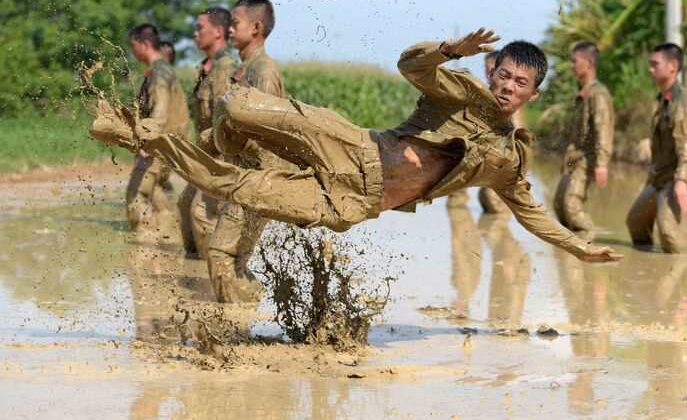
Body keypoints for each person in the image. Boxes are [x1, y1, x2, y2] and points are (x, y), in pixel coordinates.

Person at [92, 28, 622, 264]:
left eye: (518, 83)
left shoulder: (508, 160)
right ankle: (219, 138)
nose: (506, 86)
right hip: (355, 148)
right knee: (238, 106)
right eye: (502, 74)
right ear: (493, 71)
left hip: (355, 203)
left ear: (532, 91)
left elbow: (531, 213)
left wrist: (578, 247)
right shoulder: (461, 89)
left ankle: (138, 136)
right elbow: (409, 65)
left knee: (236, 188)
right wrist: (446, 49)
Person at [203, 0, 288, 303]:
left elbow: (266, 133)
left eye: (235, 23)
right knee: (233, 259)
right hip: (243, 178)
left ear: (255, 27)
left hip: (257, 181)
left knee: (221, 255)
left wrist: (219, 136)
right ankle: (248, 315)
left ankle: (238, 324)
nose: (229, 29)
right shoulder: (244, 70)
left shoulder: (263, 72)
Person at [625, 43, 687, 253]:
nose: (650, 69)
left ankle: (680, 268)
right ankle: (646, 268)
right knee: (636, 221)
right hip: (660, 175)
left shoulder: (682, 101)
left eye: (655, 64)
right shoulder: (663, 99)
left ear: (673, 66)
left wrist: (682, 181)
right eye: (650, 64)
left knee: (667, 228)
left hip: (678, 175)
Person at [176, 7, 239, 259]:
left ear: (218, 32)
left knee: (203, 216)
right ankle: (193, 267)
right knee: (185, 205)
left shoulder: (226, 69)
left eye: (199, 28)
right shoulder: (207, 70)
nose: (194, 34)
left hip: (221, 158)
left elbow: (231, 120)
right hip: (205, 156)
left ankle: (210, 277)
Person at [123, 24, 189, 233]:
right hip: (167, 145)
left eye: (134, 45)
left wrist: (146, 140)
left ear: (144, 44)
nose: (132, 51)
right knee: (159, 192)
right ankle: (170, 234)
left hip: (157, 145)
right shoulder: (161, 70)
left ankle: (145, 247)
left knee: (136, 196)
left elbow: (160, 110)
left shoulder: (159, 72)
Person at [447, 50, 524, 213]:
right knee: (483, 199)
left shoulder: (509, 99)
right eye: (487, 69)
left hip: (502, 158)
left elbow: (517, 134)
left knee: (494, 204)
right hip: (486, 154)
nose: (488, 73)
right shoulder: (488, 95)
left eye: (492, 69)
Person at [553, 41, 614, 238]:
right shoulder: (584, 92)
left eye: (575, 61)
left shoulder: (598, 94)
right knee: (560, 205)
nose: (572, 65)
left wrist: (602, 164)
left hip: (587, 159)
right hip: (574, 158)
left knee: (572, 206)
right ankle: (569, 255)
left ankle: (587, 246)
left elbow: (603, 128)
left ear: (588, 63)